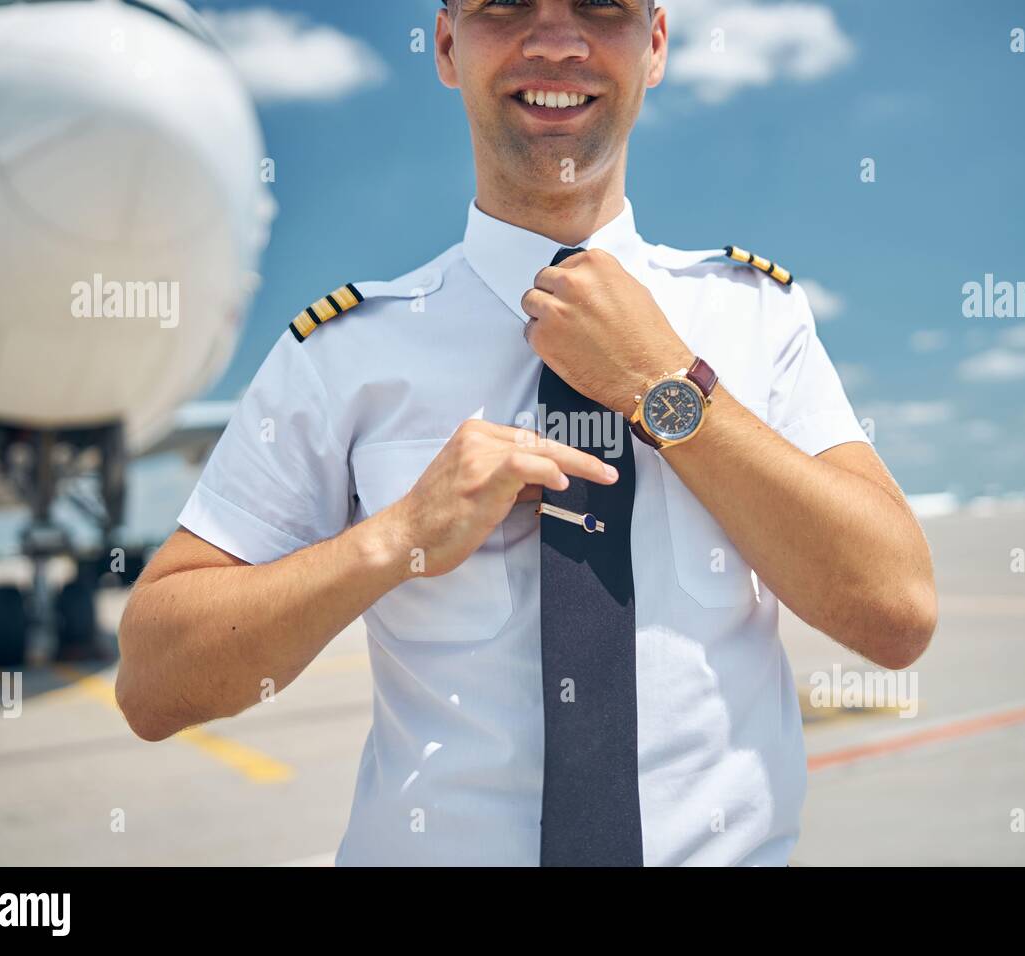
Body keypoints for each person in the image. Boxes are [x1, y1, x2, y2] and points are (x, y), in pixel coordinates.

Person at [116, 0, 937, 866]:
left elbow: (897, 614)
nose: (555, 41)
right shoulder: (341, 354)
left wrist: (666, 388)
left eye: (602, 9)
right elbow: (154, 683)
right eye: (505, 5)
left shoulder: (757, 318)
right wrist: (398, 538)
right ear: (445, 45)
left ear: (654, 46)